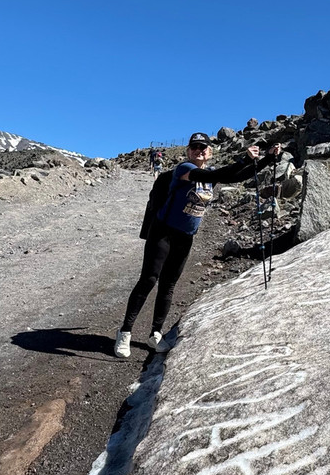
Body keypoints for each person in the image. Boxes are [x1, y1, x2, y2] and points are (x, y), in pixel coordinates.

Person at [115, 132, 282, 358]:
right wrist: (244, 158)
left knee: (169, 284)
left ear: (210, 152)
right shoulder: (184, 169)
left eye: (204, 147)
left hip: (185, 236)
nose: (199, 150)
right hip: (163, 233)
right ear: (188, 151)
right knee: (149, 279)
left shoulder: (212, 174)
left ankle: (155, 333)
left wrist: (267, 159)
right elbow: (223, 172)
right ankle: (125, 332)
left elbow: (237, 177)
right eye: (195, 147)